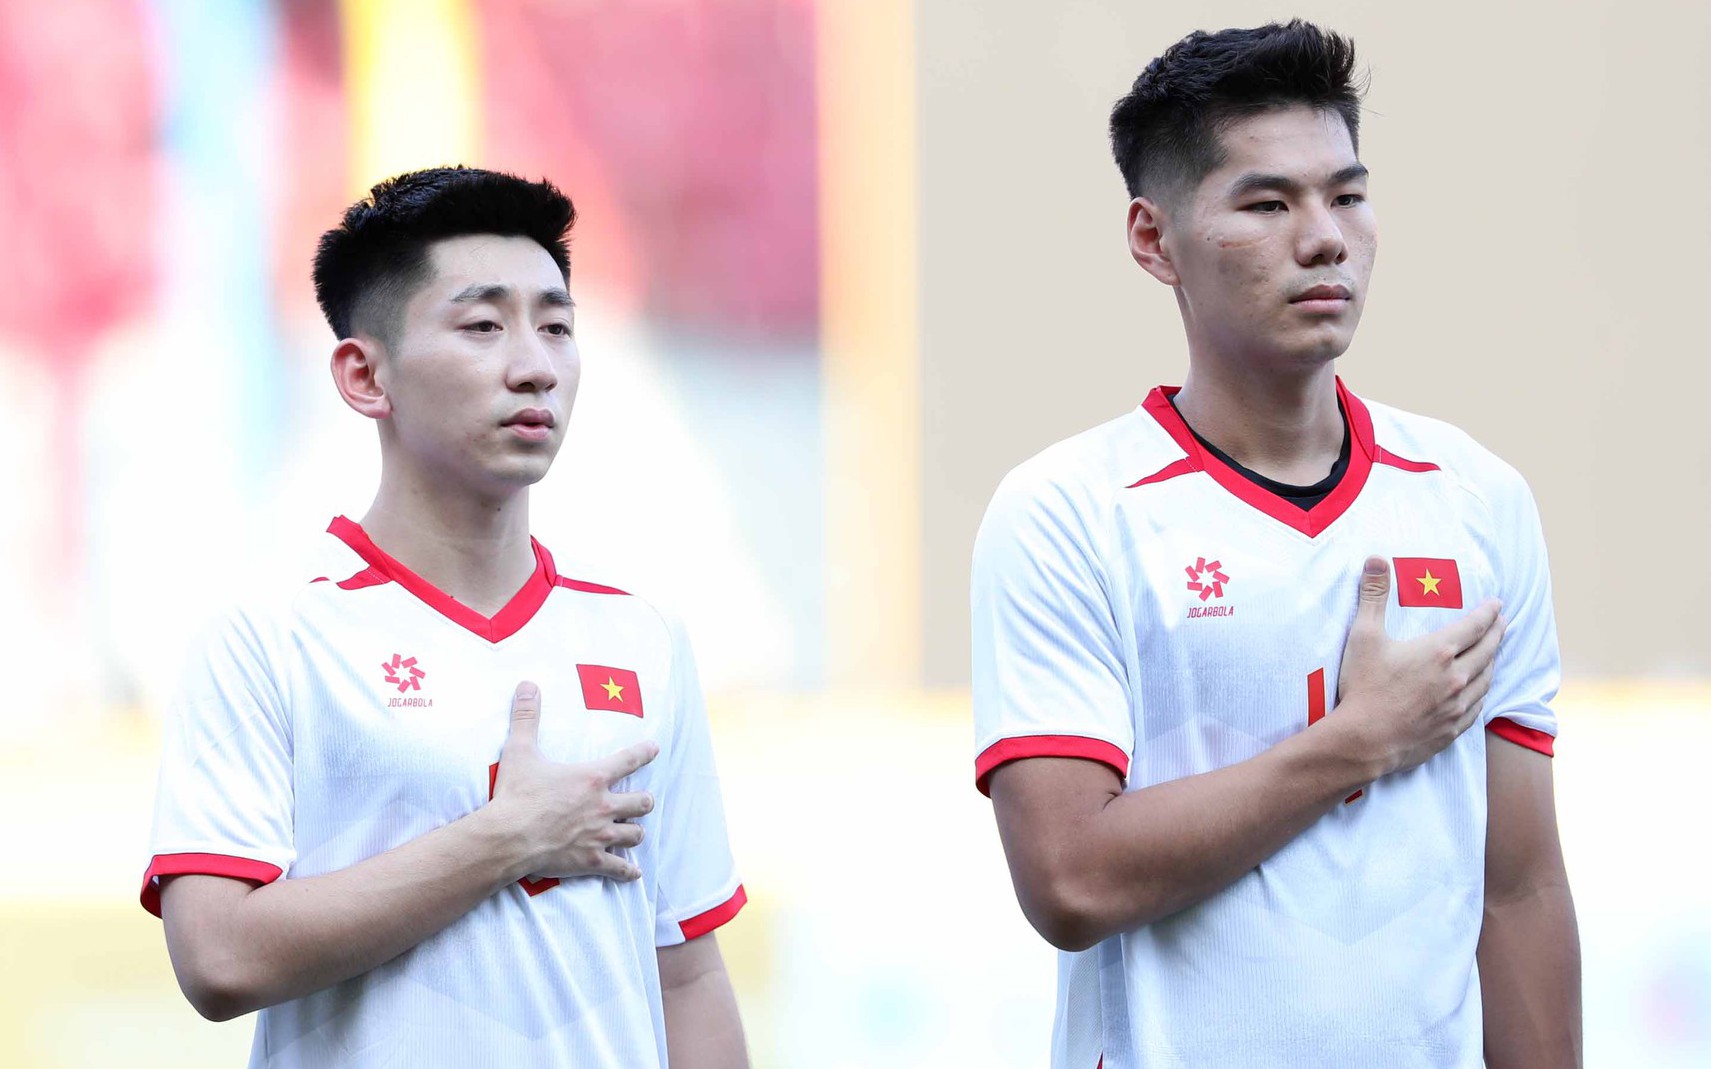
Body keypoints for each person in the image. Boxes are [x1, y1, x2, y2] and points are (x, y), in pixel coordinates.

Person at [970, 21, 1579, 1069]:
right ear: (1153, 240)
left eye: (1346, 195)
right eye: (1267, 204)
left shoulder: (1476, 498)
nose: (1325, 237)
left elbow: (1517, 888)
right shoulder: (1067, 511)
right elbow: (1071, 881)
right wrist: (1356, 742)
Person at [140, 166, 749, 1068]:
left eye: (556, 326)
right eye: (482, 326)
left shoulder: (641, 636)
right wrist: (506, 838)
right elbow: (219, 958)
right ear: (364, 375)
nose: (535, 365)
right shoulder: (270, 634)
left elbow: (687, 972)